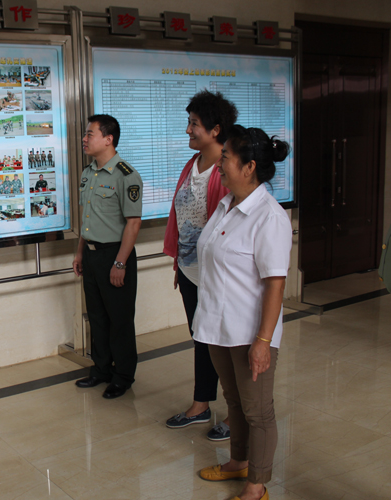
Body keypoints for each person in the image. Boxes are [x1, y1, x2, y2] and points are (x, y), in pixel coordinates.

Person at [195, 126, 292, 500]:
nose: (219, 164)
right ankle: (238, 461)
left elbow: (275, 285)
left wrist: (263, 342)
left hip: (250, 332)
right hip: (219, 326)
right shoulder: (227, 204)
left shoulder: (269, 216)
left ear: (249, 167)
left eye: (226, 159)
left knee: (258, 411)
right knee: (233, 400)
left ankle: (257, 485)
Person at [163, 90, 238, 440]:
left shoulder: (228, 171)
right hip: (192, 270)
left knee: (226, 344)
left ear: (215, 129)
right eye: (189, 122)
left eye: (194, 124)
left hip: (218, 276)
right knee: (201, 338)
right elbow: (181, 218)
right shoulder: (191, 165)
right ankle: (201, 404)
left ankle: (237, 414)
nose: (188, 130)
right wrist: (180, 262)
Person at [73, 114, 143, 399]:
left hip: (115, 254)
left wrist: (120, 262)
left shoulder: (126, 175)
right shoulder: (88, 172)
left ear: (108, 138)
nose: (84, 139)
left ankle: (123, 376)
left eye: (90, 134)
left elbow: (133, 223)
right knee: (98, 317)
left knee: (120, 319)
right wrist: (79, 252)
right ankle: (101, 369)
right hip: (90, 255)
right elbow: (86, 218)